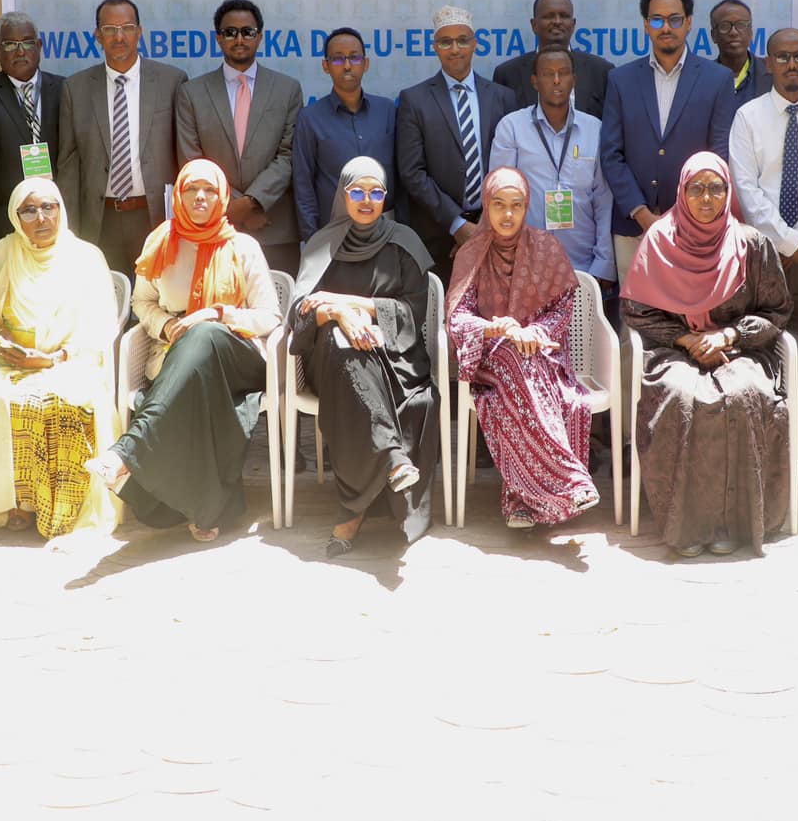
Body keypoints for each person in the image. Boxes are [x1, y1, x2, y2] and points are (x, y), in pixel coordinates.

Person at [87, 161, 281, 540]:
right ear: (178, 195)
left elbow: (270, 316)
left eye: (209, 190)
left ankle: (127, 453)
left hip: (236, 355)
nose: (200, 197)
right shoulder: (161, 241)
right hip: (177, 355)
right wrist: (165, 324)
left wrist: (216, 314)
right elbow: (142, 302)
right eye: (191, 189)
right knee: (195, 378)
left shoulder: (242, 247)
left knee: (204, 333)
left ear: (223, 196)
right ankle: (205, 509)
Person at [622, 152, 795, 557]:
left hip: (739, 351)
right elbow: (637, 310)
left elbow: (777, 310)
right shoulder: (659, 241)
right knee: (683, 398)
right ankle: (688, 525)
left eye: (715, 188)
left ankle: (732, 524)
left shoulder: (751, 244)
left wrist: (729, 335)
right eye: (696, 188)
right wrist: (686, 339)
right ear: (682, 192)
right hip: (673, 351)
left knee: (741, 395)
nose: (706, 198)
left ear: (728, 192)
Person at [0, 179, 120, 540]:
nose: (41, 217)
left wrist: (55, 357)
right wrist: (0, 336)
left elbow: (100, 324)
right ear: (15, 217)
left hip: (69, 361)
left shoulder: (85, 258)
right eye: (28, 210)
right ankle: (14, 502)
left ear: (61, 210)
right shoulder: (2, 254)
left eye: (48, 207)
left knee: (67, 402)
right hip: (7, 362)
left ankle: (60, 508)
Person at [288, 158, 439, 555]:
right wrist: (339, 316)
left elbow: (413, 312)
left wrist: (350, 304)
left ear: (386, 197)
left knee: (359, 360)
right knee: (343, 344)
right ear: (343, 195)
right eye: (357, 191)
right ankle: (392, 460)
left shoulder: (404, 241)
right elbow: (300, 313)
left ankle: (352, 514)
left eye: (376, 192)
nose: (367, 200)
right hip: (332, 363)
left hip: (396, 358)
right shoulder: (323, 244)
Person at [446, 168, 601, 528]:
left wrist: (533, 332)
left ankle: (522, 505)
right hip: (490, 356)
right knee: (512, 357)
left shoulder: (546, 248)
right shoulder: (471, 254)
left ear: (527, 206)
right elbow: (458, 318)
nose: (507, 214)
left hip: (541, 355)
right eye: (499, 204)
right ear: (486, 206)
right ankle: (571, 481)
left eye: (516, 205)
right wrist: (494, 328)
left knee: (544, 391)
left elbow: (562, 308)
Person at [727, 27, 798, 491]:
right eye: (782, 57)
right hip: (761, 256)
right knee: (758, 355)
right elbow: (746, 190)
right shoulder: (748, 117)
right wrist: (788, 242)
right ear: (768, 63)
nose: (791, 64)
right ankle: (760, 451)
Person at [601, 0, 737, 278]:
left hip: (694, 225)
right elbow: (611, 154)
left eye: (674, 19)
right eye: (657, 20)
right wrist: (641, 213)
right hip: (633, 226)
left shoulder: (718, 79)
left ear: (689, 23)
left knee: (689, 305)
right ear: (646, 25)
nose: (666, 28)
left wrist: (684, 213)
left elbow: (719, 155)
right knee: (634, 307)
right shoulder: (621, 80)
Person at [57, 0, 186, 276]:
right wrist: (69, 229)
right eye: (110, 29)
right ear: (97, 36)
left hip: (154, 217)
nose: (119, 37)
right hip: (100, 220)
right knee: (104, 294)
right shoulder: (76, 88)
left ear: (139, 32)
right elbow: (68, 165)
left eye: (127, 27)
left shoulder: (171, 81)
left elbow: (184, 154)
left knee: (157, 294)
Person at [175, 0, 304, 274]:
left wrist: (252, 203)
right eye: (230, 32)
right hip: (215, 226)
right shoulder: (192, 93)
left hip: (273, 225)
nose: (239, 39)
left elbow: (288, 156)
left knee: (278, 301)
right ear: (218, 38)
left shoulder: (287, 89)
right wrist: (232, 208)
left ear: (260, 37)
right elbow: (192, 160)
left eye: (248, 31)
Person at [395, 5, 516, 278]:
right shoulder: (414, 100)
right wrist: (457, 225)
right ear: (435, 47)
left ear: (475, 44)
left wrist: (485, 224)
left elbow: (510, 169)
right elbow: (412, 172)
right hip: (437, 235)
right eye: (445, 42)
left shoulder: (502, 98)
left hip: (495, 231)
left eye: (462, 40)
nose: (454, 49)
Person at [487, 49, 615, 287]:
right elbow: (499, 198)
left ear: (574, 80)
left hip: (583, 266)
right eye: (548, 74)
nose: (556, 80)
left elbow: (604, 200)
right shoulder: (512, 128)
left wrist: (604, 264)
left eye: (563, 73)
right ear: (535, 81)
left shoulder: (594, 130)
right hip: (525, 267)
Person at [0, 10, 65, 255]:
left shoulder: (65, 89)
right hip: (6, 227)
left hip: (58, 222)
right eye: (10, 44)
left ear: (39, 46)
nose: (20, 51)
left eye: (27, 43)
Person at [293, 26, 398, 236]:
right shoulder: (310, 118)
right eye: (338, 59)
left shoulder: (387, 110)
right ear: (326, 66)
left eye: (354, 58)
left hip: (385, 230)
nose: (347, 65)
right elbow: (303, 185)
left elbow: (402, 174)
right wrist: (312, 239)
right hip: (333, 232)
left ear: (366, 64)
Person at [489, 0, 613, 117]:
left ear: (573, 24)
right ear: (534, 25)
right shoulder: (507, 74)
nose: (557, 22)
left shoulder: (601, 71)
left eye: (564, 16)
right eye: (548, 16)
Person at [710, 0, 771, 106]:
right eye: (725, 26)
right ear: (714, 36)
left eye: (741, 25)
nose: (733, 32)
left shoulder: (772, 73)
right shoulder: (702, 77)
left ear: (750, 33)